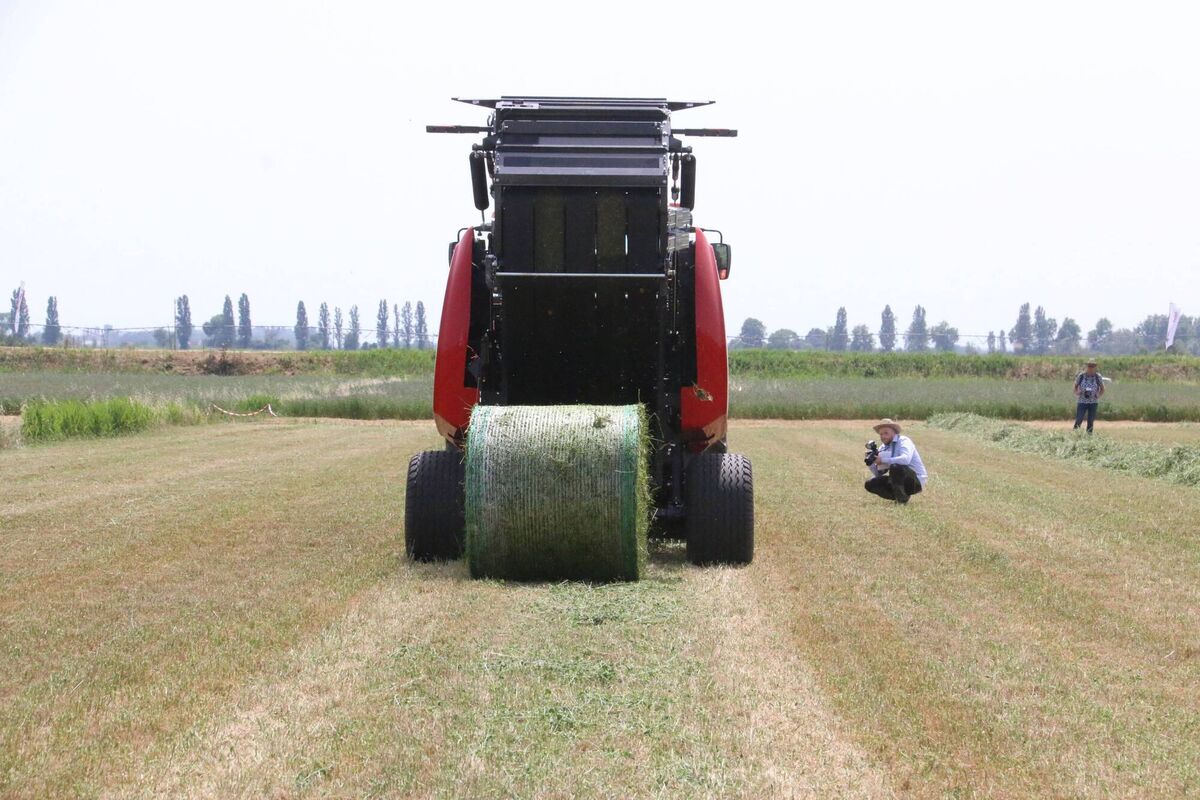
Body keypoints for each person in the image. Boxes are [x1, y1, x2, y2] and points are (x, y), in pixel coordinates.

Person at [864, 419, 928, 504]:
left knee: (896, 466)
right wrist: (872, 462)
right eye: (881, 434)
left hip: (915, 481)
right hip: (898, 480)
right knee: (870, 484)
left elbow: (905, 459)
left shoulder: (904, 441)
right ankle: (902, 496)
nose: (883, 436)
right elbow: (879, 473)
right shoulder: (883, 447)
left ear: (894, 432)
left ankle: (901, 500)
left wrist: (883, 459)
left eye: (886, 433)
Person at [1073, 359, 1106, 433]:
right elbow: (1075, 386)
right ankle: (1075, 434)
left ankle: (1089, 437)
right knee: (1079, 419)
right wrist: (1077, 392)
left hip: (1093, 402)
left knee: (1090, 421)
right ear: (1086, 366)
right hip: (1082, 401)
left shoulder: (1098, 376)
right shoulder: (1081, 376)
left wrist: (1098, 395)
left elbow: (1103, 388)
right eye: (1089, 366)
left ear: (1095, 367)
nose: (1091, 368)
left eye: (1093, 366)